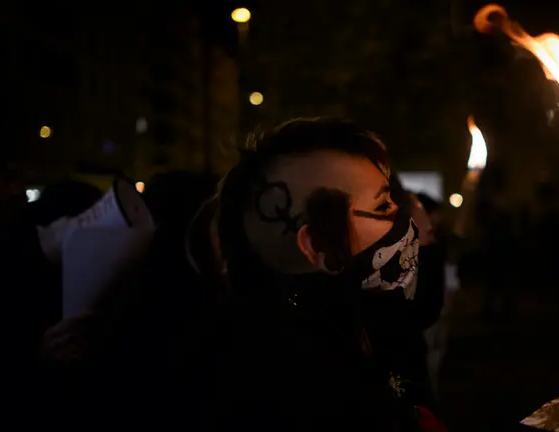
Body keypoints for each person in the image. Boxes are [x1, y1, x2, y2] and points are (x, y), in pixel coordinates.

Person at [40, 118, 446, 431]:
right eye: (382, 208)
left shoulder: (331, 315)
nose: (403, 224)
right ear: (314, 246)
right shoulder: (285, 377)